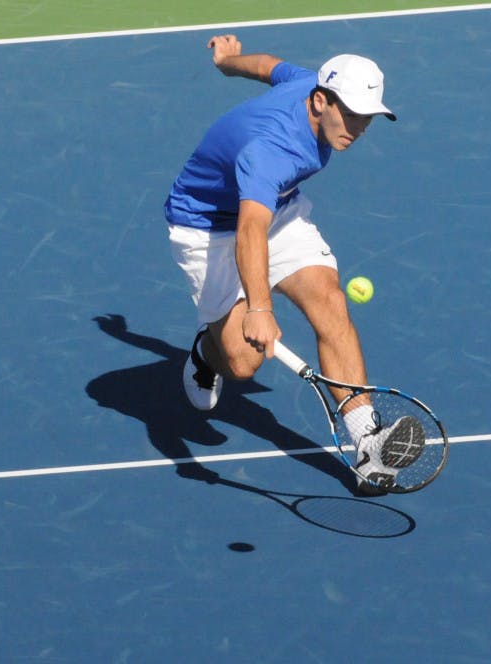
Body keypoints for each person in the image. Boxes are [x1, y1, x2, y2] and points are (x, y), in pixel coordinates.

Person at [165, 34, 421, 493]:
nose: (359, 128)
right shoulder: (271, 151)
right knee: (242, 364)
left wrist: (227, 61)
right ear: (321, 101)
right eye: (352, 115)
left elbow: (269, 65)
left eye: (367, 118)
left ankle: (368, 442)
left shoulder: (308, 84)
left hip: (275, 210)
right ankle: (206, 351)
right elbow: (249, 232)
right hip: (207, 228)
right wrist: (260, 308)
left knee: (329, 301)